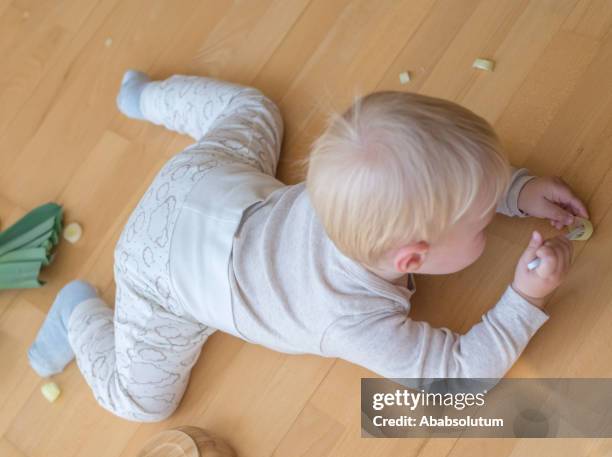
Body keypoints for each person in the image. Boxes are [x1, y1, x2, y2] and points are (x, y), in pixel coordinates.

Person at [27, 70, 587, 422]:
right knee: (143, 403)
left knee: (252, 114)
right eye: (486, 219)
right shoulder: (349, 316)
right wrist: (523, 297)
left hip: (199, 181)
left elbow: (446, 184)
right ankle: (80, 314)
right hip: (159, 274)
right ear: (411, 260)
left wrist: (518, 189)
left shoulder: (348, 191)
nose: (496, 217)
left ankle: (144, 96)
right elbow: (453, 381)